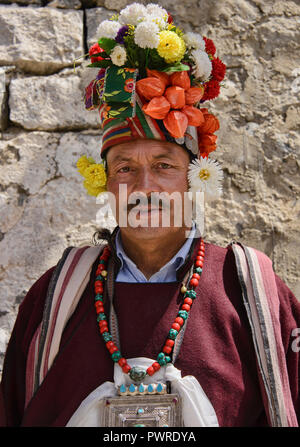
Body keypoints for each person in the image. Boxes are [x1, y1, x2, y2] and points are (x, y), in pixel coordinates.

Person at [0, 3, 299, 427]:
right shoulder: (55, 300)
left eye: (164, 166)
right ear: (106, 183)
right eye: (125, 168)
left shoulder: (250, 292)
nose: (144, 187)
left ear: (194, 179)